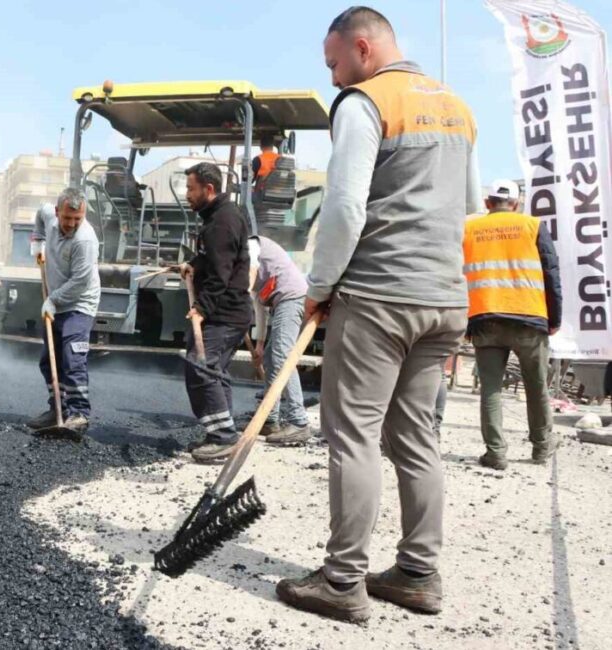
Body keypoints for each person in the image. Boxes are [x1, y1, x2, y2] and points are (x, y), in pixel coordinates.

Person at [276, 7, 480, 623]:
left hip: (380, 296)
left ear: (362, 49)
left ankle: (342, 581)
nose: (333, 77)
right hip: (444, 300)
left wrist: (319, 287)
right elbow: (469, 210)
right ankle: (418, 574)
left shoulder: (365, 102)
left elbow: (344, 208)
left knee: (354, 432)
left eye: (334, 62)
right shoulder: (457, 107)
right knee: (416, 436)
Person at [465, 179, 562, 470]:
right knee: (536, 386)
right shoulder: (533, 226)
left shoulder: (469, 228)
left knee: (490, 390)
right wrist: (555, 317)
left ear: (488, 203)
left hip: (484, 318)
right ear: (517, 204)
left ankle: (495, 452)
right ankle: (541, 447)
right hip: (529, 318)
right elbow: (551, 272)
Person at [179, 162, 254, 464]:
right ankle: (222, 432)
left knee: (201, 367)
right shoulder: (218, 217)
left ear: (208, 189)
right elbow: (213, 258)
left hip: (225, 313)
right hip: (229, 313)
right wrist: (193, 264)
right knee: (215, 372)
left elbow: (220, 275)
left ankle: (223, 437)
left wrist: (201, 308)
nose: (187, 194)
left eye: (191, 188)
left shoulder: (222, 222)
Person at [25, 188, 101, 436]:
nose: (71, 224)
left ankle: (78, 414)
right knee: (49, 360)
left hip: (79, 303)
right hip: (57, 301)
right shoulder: (49, 216)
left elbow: (80, 282)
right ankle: (57, 409)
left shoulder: (85, 240)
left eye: (78, 218)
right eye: (67, 217)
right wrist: (38, 240)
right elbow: (41, 212)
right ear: (58, 212)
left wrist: (53, 299)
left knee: (72, 357)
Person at [250, 235, 311, 445]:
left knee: (283, 356)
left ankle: (299, 421)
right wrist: (259, 345)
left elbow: (248, 283)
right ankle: (270, 419)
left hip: (292, 297)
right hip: (281, 301)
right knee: (269, 358)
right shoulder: (249, 269)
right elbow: (259, 306)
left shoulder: (250, 246)